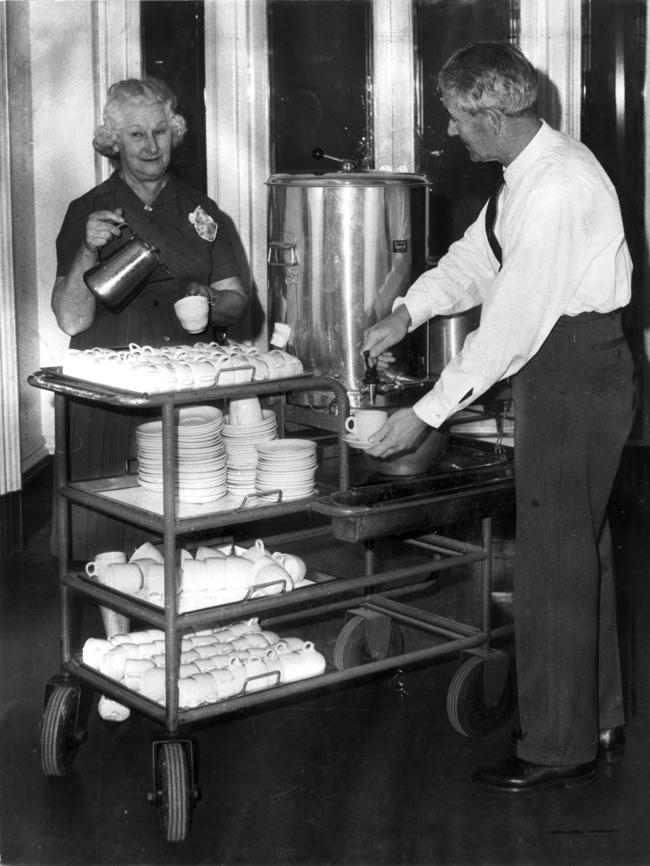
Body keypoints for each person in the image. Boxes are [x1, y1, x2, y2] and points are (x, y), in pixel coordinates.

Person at [361, 42, 635, 792]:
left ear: (495, 112)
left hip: (573, 369)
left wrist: (427, 413)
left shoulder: (556, 187)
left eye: (457, 117)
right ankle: (597, 715)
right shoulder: (527, 173)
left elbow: (511, 324)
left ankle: (555, 746)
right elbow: (477, 260)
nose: (452, 131)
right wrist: (408, 311)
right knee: (582, 549)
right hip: (569, 367)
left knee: (552, 560)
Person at [52, 78, 250, 561]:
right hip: (112, 381)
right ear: (114, 141)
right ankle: (114, 635)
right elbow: (71, 321)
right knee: (107, 525)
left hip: (186, 378)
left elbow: (238, 301)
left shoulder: (202, 212)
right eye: (136, 134)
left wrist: (209, 300)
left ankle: (193, 626)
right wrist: (87, 250)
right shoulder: (87, 211)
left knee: (196, 512)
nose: (150, 145)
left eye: (160, 131)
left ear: (174, 133)